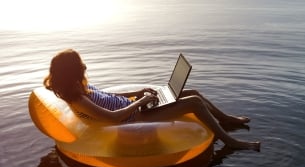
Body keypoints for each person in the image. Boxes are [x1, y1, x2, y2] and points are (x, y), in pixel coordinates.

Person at [44, 49, 260, 151]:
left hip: (135, 107)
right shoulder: (78, 99)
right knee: (193, 102)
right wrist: (139, 103)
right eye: (80, 64)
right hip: (134, 118)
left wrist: (137, 93)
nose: (85, 66)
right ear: (71, 71)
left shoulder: (79, 88)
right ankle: (231, 142)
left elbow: (109, 98)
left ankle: (227, 119)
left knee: (190, 90)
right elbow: (112, 116)